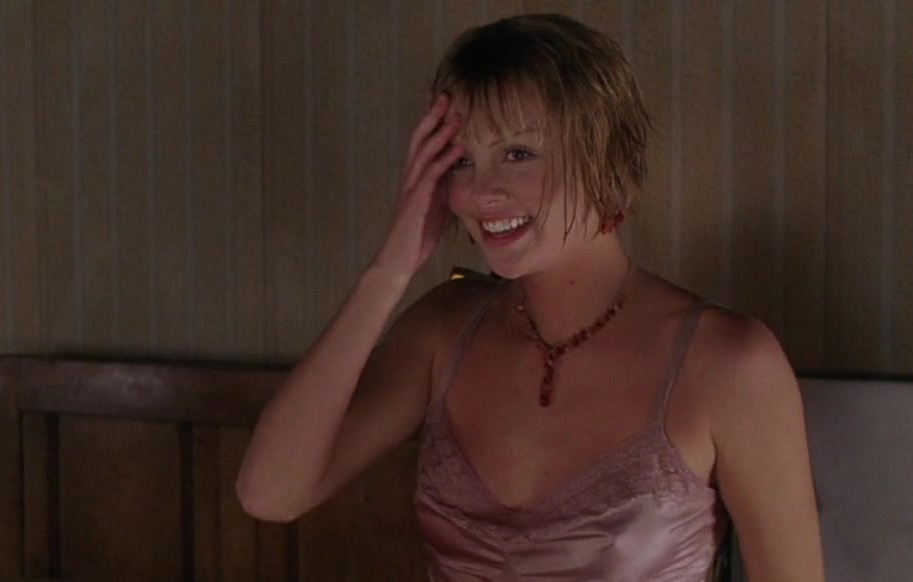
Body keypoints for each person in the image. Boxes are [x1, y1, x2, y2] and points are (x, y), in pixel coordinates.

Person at [235, 13, 823, 581]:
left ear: (605, 156)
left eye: (518, 153)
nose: (480, 191)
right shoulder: (443, 330)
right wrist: (392, 267)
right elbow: (270, 493)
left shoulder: (730, 363)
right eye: (462, 161)